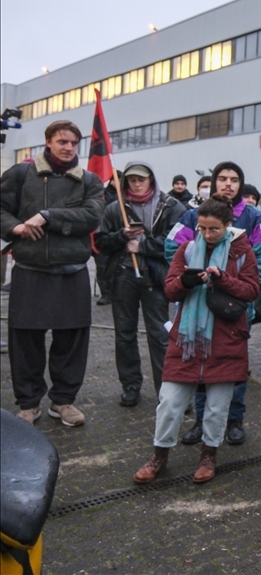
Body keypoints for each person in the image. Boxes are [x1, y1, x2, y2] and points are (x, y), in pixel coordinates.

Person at [133, 194, 260, 485]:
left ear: (228, 225)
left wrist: (222, 279)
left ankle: (208, 455)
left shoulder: (242, 251)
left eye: (213, 228)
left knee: (217, 407)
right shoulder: (187, 250)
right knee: (169, 402)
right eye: (202, 228)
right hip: (186, 341)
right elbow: (170, 289)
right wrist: (185, 282)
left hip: (225, 338)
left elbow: (252, 290)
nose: (207, 234)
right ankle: (159, 455)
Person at [1, 120, 104, 426]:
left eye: (73, 143)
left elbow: (91, 216)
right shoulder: (21, 174)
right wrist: (14, 227)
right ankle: (29, 404)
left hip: (72, 271)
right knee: (25, 341)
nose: (68, 147)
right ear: (48, 142)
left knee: (71, 341)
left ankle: (63, 401)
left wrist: (47, 216)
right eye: (62, 141)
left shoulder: (89, 180)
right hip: (30, 271)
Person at [166, 161, 261, 446]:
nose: (228, 184)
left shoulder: (255, 218)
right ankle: (201, 420)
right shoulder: (193, 216)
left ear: (241, 184)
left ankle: (234, 419)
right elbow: (171, 246)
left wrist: (240, 287)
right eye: (223, 179)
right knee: (199, 361)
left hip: (234, 306)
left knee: (232, 365)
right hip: (195, 305)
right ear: (214, 182)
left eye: (235, 179)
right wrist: (189, 274)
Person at [96, 162, 185, 407]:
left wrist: (143, 245)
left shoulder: (171, 206)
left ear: (152, 180)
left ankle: (166, 390)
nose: (137, 183)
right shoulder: (115, 209)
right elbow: (101, 242)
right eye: (132, 180)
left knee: (160, 336)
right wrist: (121, 237)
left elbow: (178, 244)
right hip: (123, 277)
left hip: (155, 279)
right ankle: (131, 385)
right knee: (124, 335)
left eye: (141, 179)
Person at [94, 170, 123, 306]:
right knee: (102, 266)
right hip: (104, 234)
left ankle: (116, 293)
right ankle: (105, 293)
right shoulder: (103, 195)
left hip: (120, 236)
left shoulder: (126, 196)